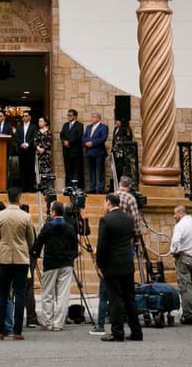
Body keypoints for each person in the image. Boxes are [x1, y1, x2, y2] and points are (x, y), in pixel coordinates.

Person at [0, 188, 36, 340]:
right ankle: (17, 331)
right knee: (20, 293)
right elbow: (31, 239)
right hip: (21, 259)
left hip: (4, 258)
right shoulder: (26, 216)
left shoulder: (0, 216)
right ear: (20, 198)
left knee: (2, 294)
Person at [97, 192, 143, 342]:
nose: (104, 206)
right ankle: (136, 331)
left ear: (109, 203)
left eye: (105, 203)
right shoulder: (129, 219)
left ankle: (117, 332)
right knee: (130, 298)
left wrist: (100, 264)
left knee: (115, 298)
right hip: (127, 263)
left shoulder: (105, 220)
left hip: (112, 264)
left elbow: (102, 245)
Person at [33, 200, 77, 331]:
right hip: (66, 263)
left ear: (53, 212)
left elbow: (39, 242)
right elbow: (74, 246)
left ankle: (48, 321)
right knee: (63, 294)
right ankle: (58, 323)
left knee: (48, 294)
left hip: (51, 263)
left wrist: (35, 254)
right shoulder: (70, 227)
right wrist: (71, 257)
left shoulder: (48, 226)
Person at [170, 204, 192, 325]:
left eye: (175, 214)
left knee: (185, 287)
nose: (174, 216)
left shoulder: (181, 225)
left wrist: (174, 252)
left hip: (184, 257)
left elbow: (175, 241)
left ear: (181, 213)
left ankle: (189, 314)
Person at [83, 112, 108, 194]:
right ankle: (92, 187)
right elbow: (84, 137)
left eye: (94, 117)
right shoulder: (89, 127)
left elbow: (103, 138)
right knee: (91, 171)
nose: (92, 119)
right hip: (89, 152)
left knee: (100, 170)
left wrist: (92, 143)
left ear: (98, 118)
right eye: (92, 117)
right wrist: (86, 143)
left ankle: (100, 188)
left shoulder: (103, 127)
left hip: (99, 152)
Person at [60, 109, 84, 189]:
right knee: (68, 170)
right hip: (66, 151)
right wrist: (64, 141)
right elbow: (62, 135)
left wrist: (69, 142)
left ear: (75, 116)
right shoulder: (65, 125)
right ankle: (68, 187)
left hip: (76, 151)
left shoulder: (79, 125)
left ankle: (78, 187)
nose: (68, 117)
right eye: (68, 115)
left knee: (77, 171)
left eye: (70, 115)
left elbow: (78, 136)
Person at [14, 111, 37, 192]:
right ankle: (23, 188)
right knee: (22, 169)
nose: (24, 117)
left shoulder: (33, 126)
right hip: (21, 150)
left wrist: (28, 144)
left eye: (26, 116)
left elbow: (34, 137)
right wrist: (21, 144)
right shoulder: (19, 126)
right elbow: (16, 137)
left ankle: (31, 188)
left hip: (30, 150)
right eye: (23, 116)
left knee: (30, 169)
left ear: (30, 117)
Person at [33, 116, 54, 190]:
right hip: (39, 154)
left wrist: (43, 149)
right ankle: (40, 185)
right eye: (39, 121)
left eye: (41, 121)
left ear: (45, 122)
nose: (40, 123)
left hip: (46, 154)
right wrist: (38, 148)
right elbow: (35, 142)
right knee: (39, 169)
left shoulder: (49, 132)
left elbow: (49, 142)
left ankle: (47, 186)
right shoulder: (37, 132)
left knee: (47, 169)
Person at [112, 118, 134, 183]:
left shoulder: (126, 129)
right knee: (117, 169)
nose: (116, 122)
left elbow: (128, 139)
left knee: (122, 169)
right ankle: (117, 183)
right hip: (116, 152)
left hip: (123, 153)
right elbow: (114, 140)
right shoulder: (115, 129)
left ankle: (124, 183)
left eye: (118, 121)